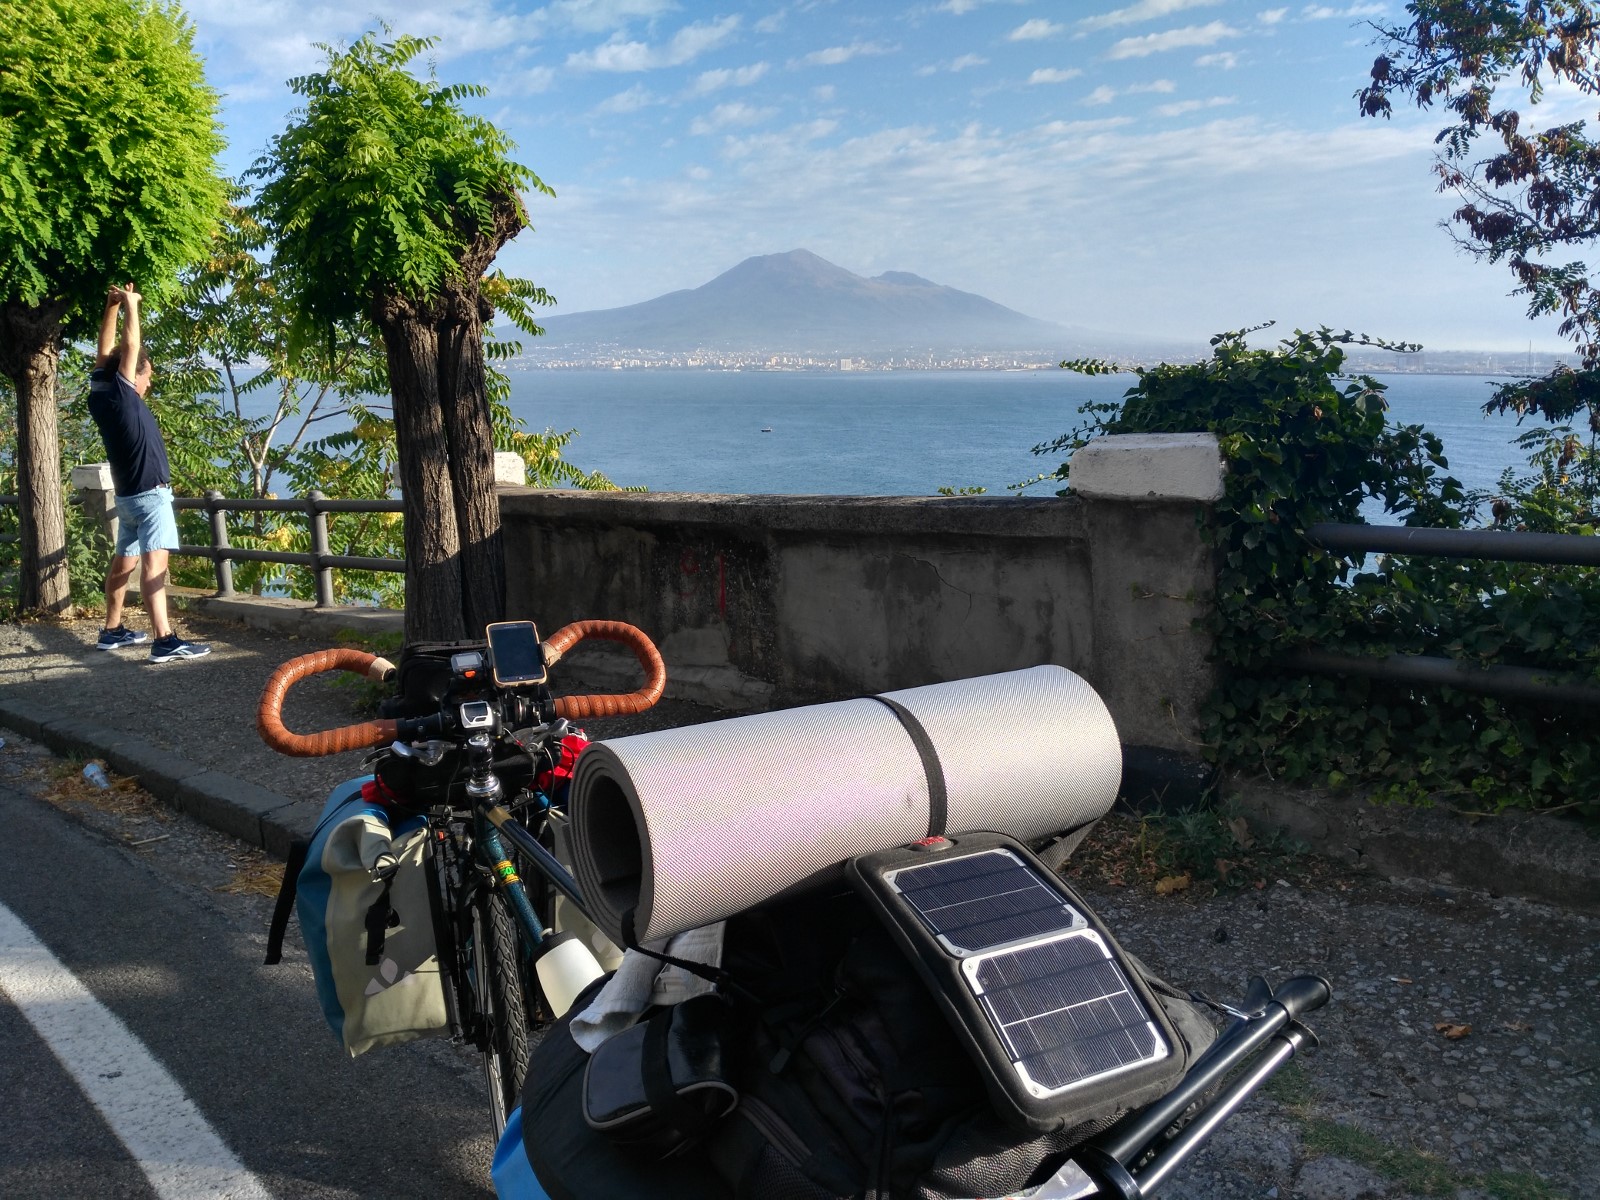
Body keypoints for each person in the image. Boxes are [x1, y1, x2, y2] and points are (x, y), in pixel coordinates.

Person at [86, 282, 210, 663]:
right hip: (149, 494)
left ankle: (111, 630)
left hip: (127, 497)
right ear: (131, 373)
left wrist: (111, 306)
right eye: (147, 375)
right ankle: (164, 639)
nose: (148, 382)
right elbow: (128, 346)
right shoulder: (122, 396)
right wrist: (132, 308)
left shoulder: (99, 394)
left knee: (125, 560)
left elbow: (105, 352)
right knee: (155, 565)